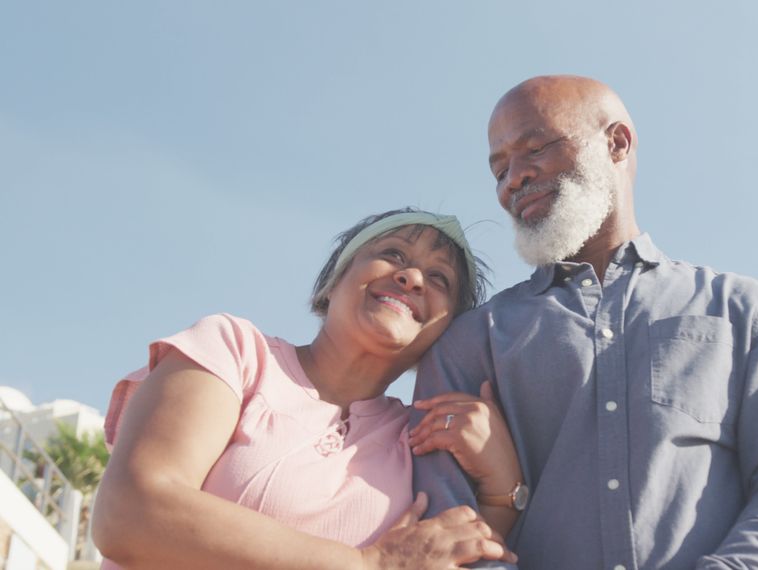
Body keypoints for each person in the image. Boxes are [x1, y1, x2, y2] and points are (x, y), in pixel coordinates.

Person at [410, 76, 758, 569]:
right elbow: (443, 519)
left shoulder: (750, 312)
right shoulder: (470, 342)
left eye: (534, 149)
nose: (513, 178)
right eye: (500, 168)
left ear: (616, 143)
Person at [93, 208, 523, 569]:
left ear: (445, 332)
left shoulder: (419, 441)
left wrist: (503, 488)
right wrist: (366, 563)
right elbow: (128, 512)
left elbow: (450, 554)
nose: (412, 278)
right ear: (333, 281)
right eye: (392, 254)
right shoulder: (236, 351)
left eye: (439, 279)